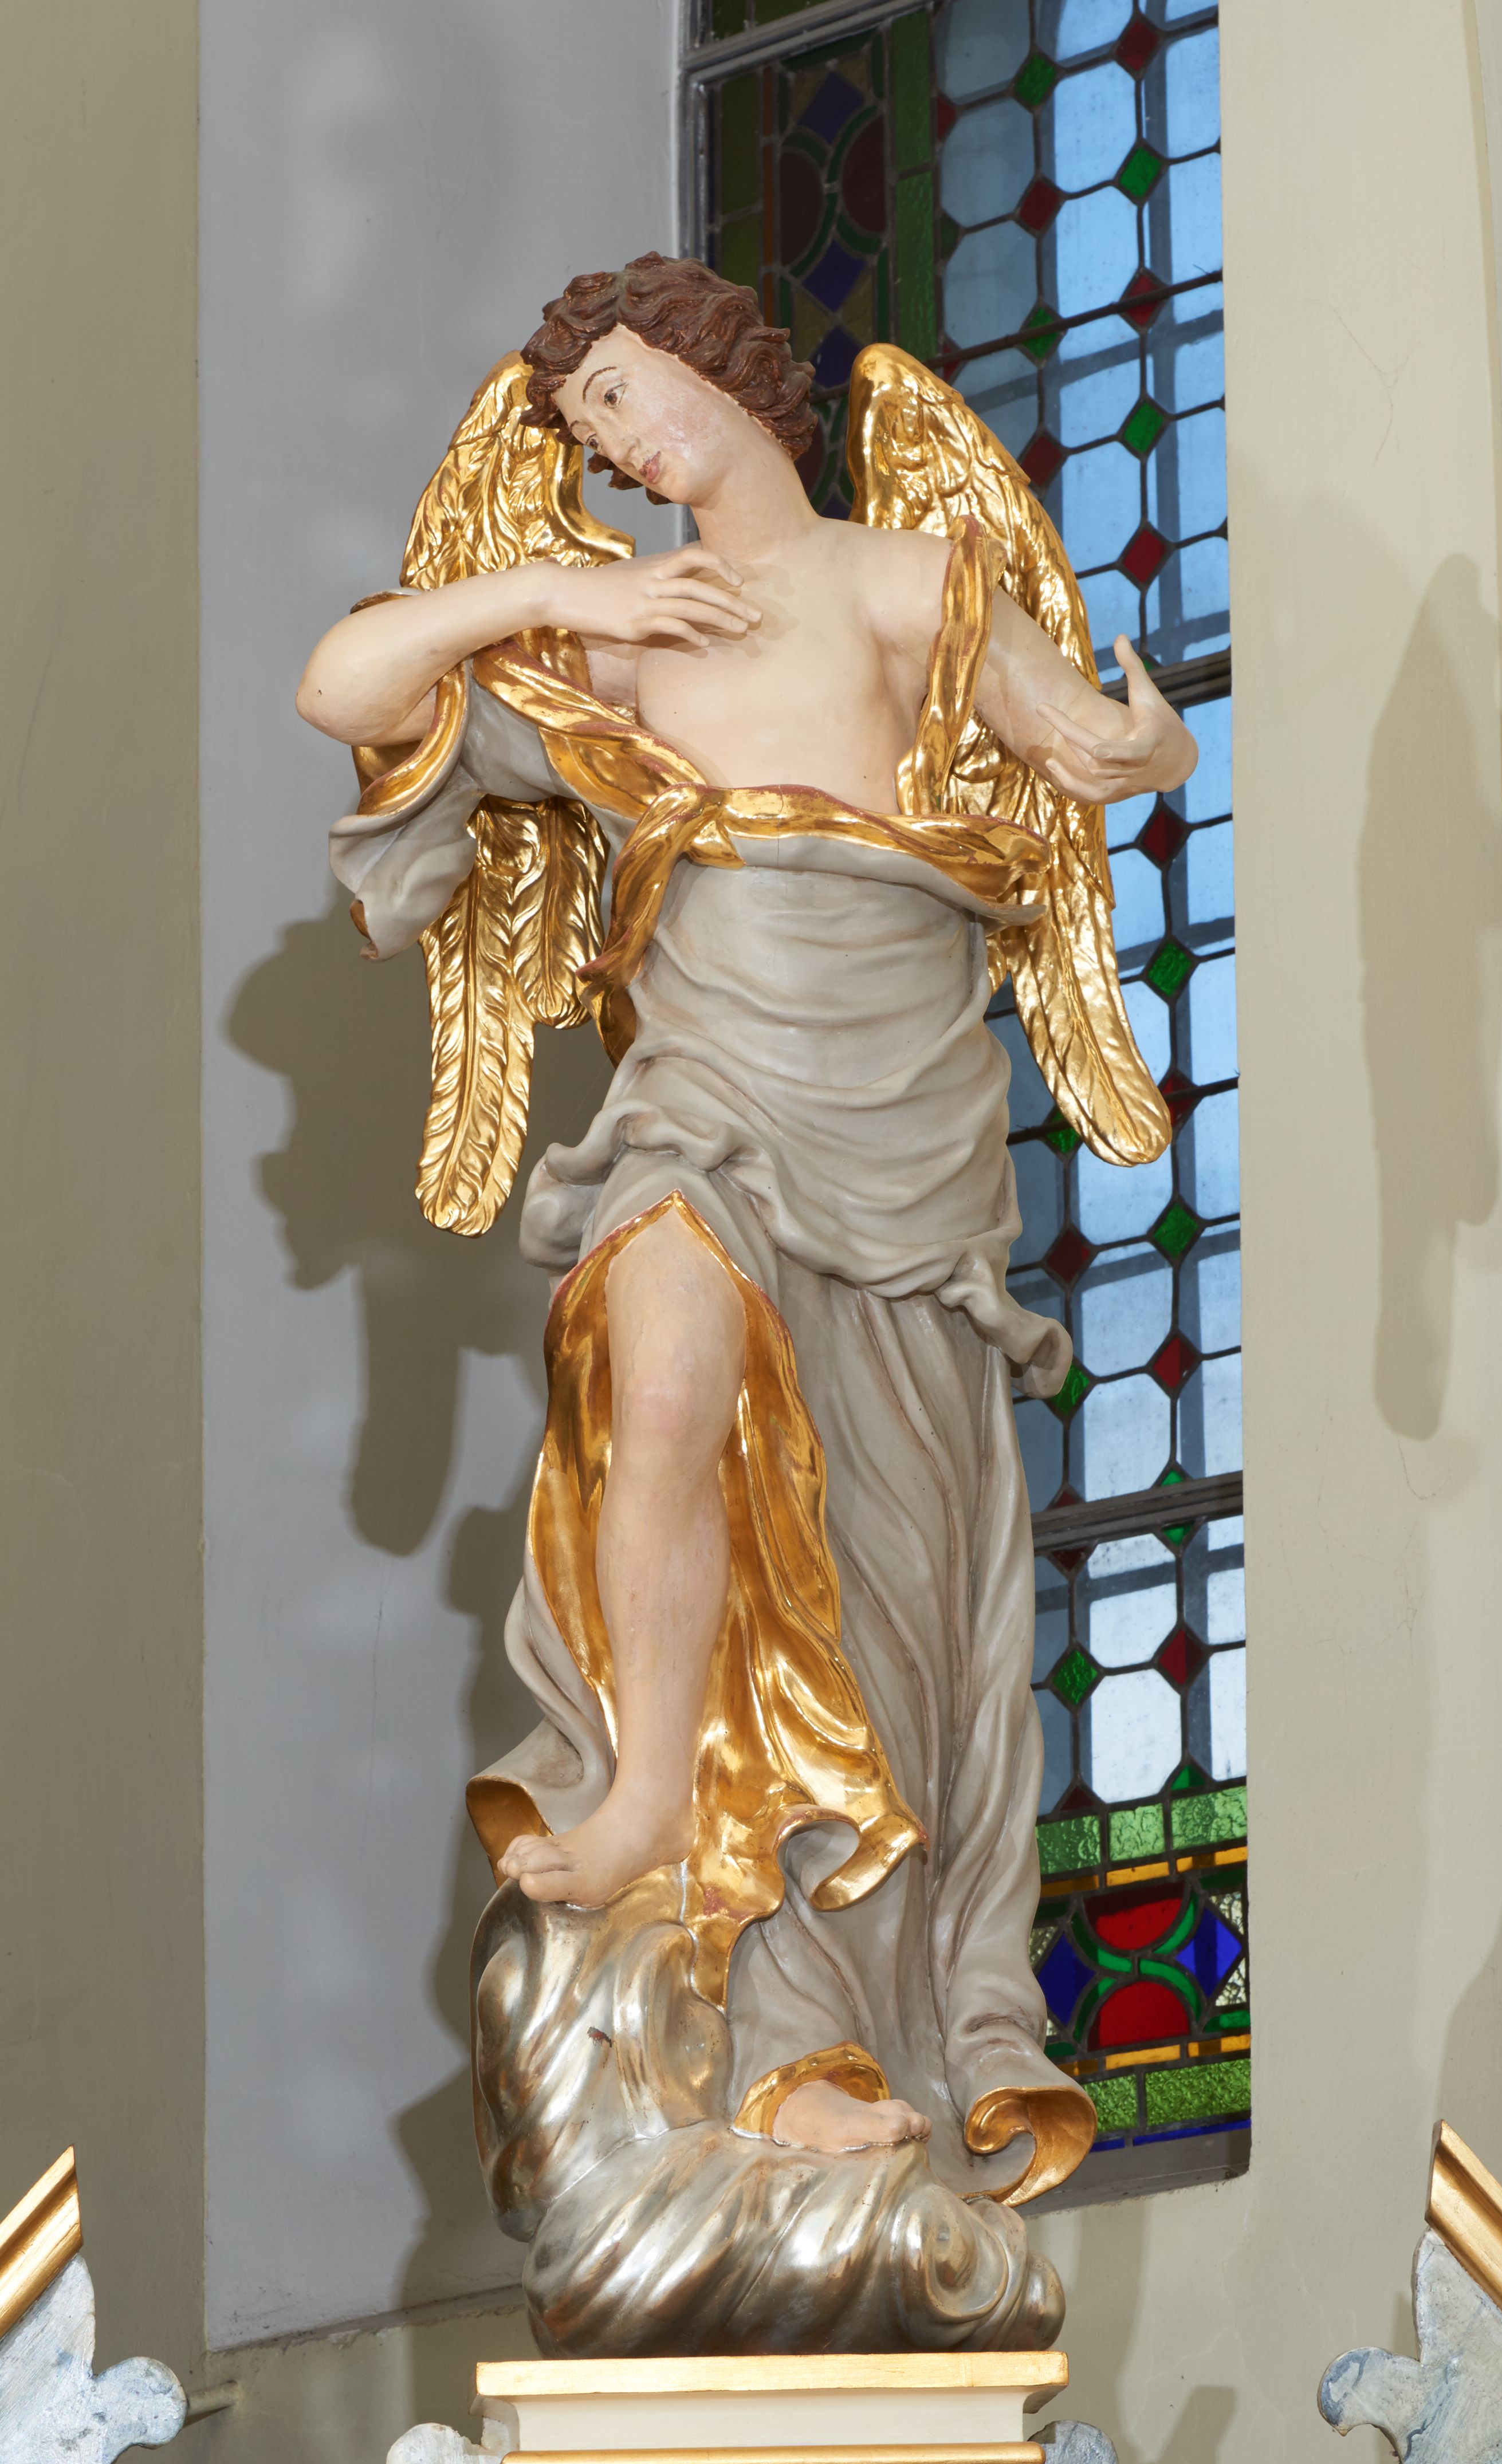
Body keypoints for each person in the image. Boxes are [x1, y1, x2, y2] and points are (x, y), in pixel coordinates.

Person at [300, 254, 1193, 2201]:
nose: (617, 443)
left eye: (628, 391)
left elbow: (1092, 743)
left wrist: (1142, 748)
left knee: (864, 1579)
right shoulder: (621, 648)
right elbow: (345, 686)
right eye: (587, 426)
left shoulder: (907, 582)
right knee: (659, 1384)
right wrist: (558, 597)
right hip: (698, 1102)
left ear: (723, 368)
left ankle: (816, 2029)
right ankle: (640, 1792)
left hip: (899, 1127)